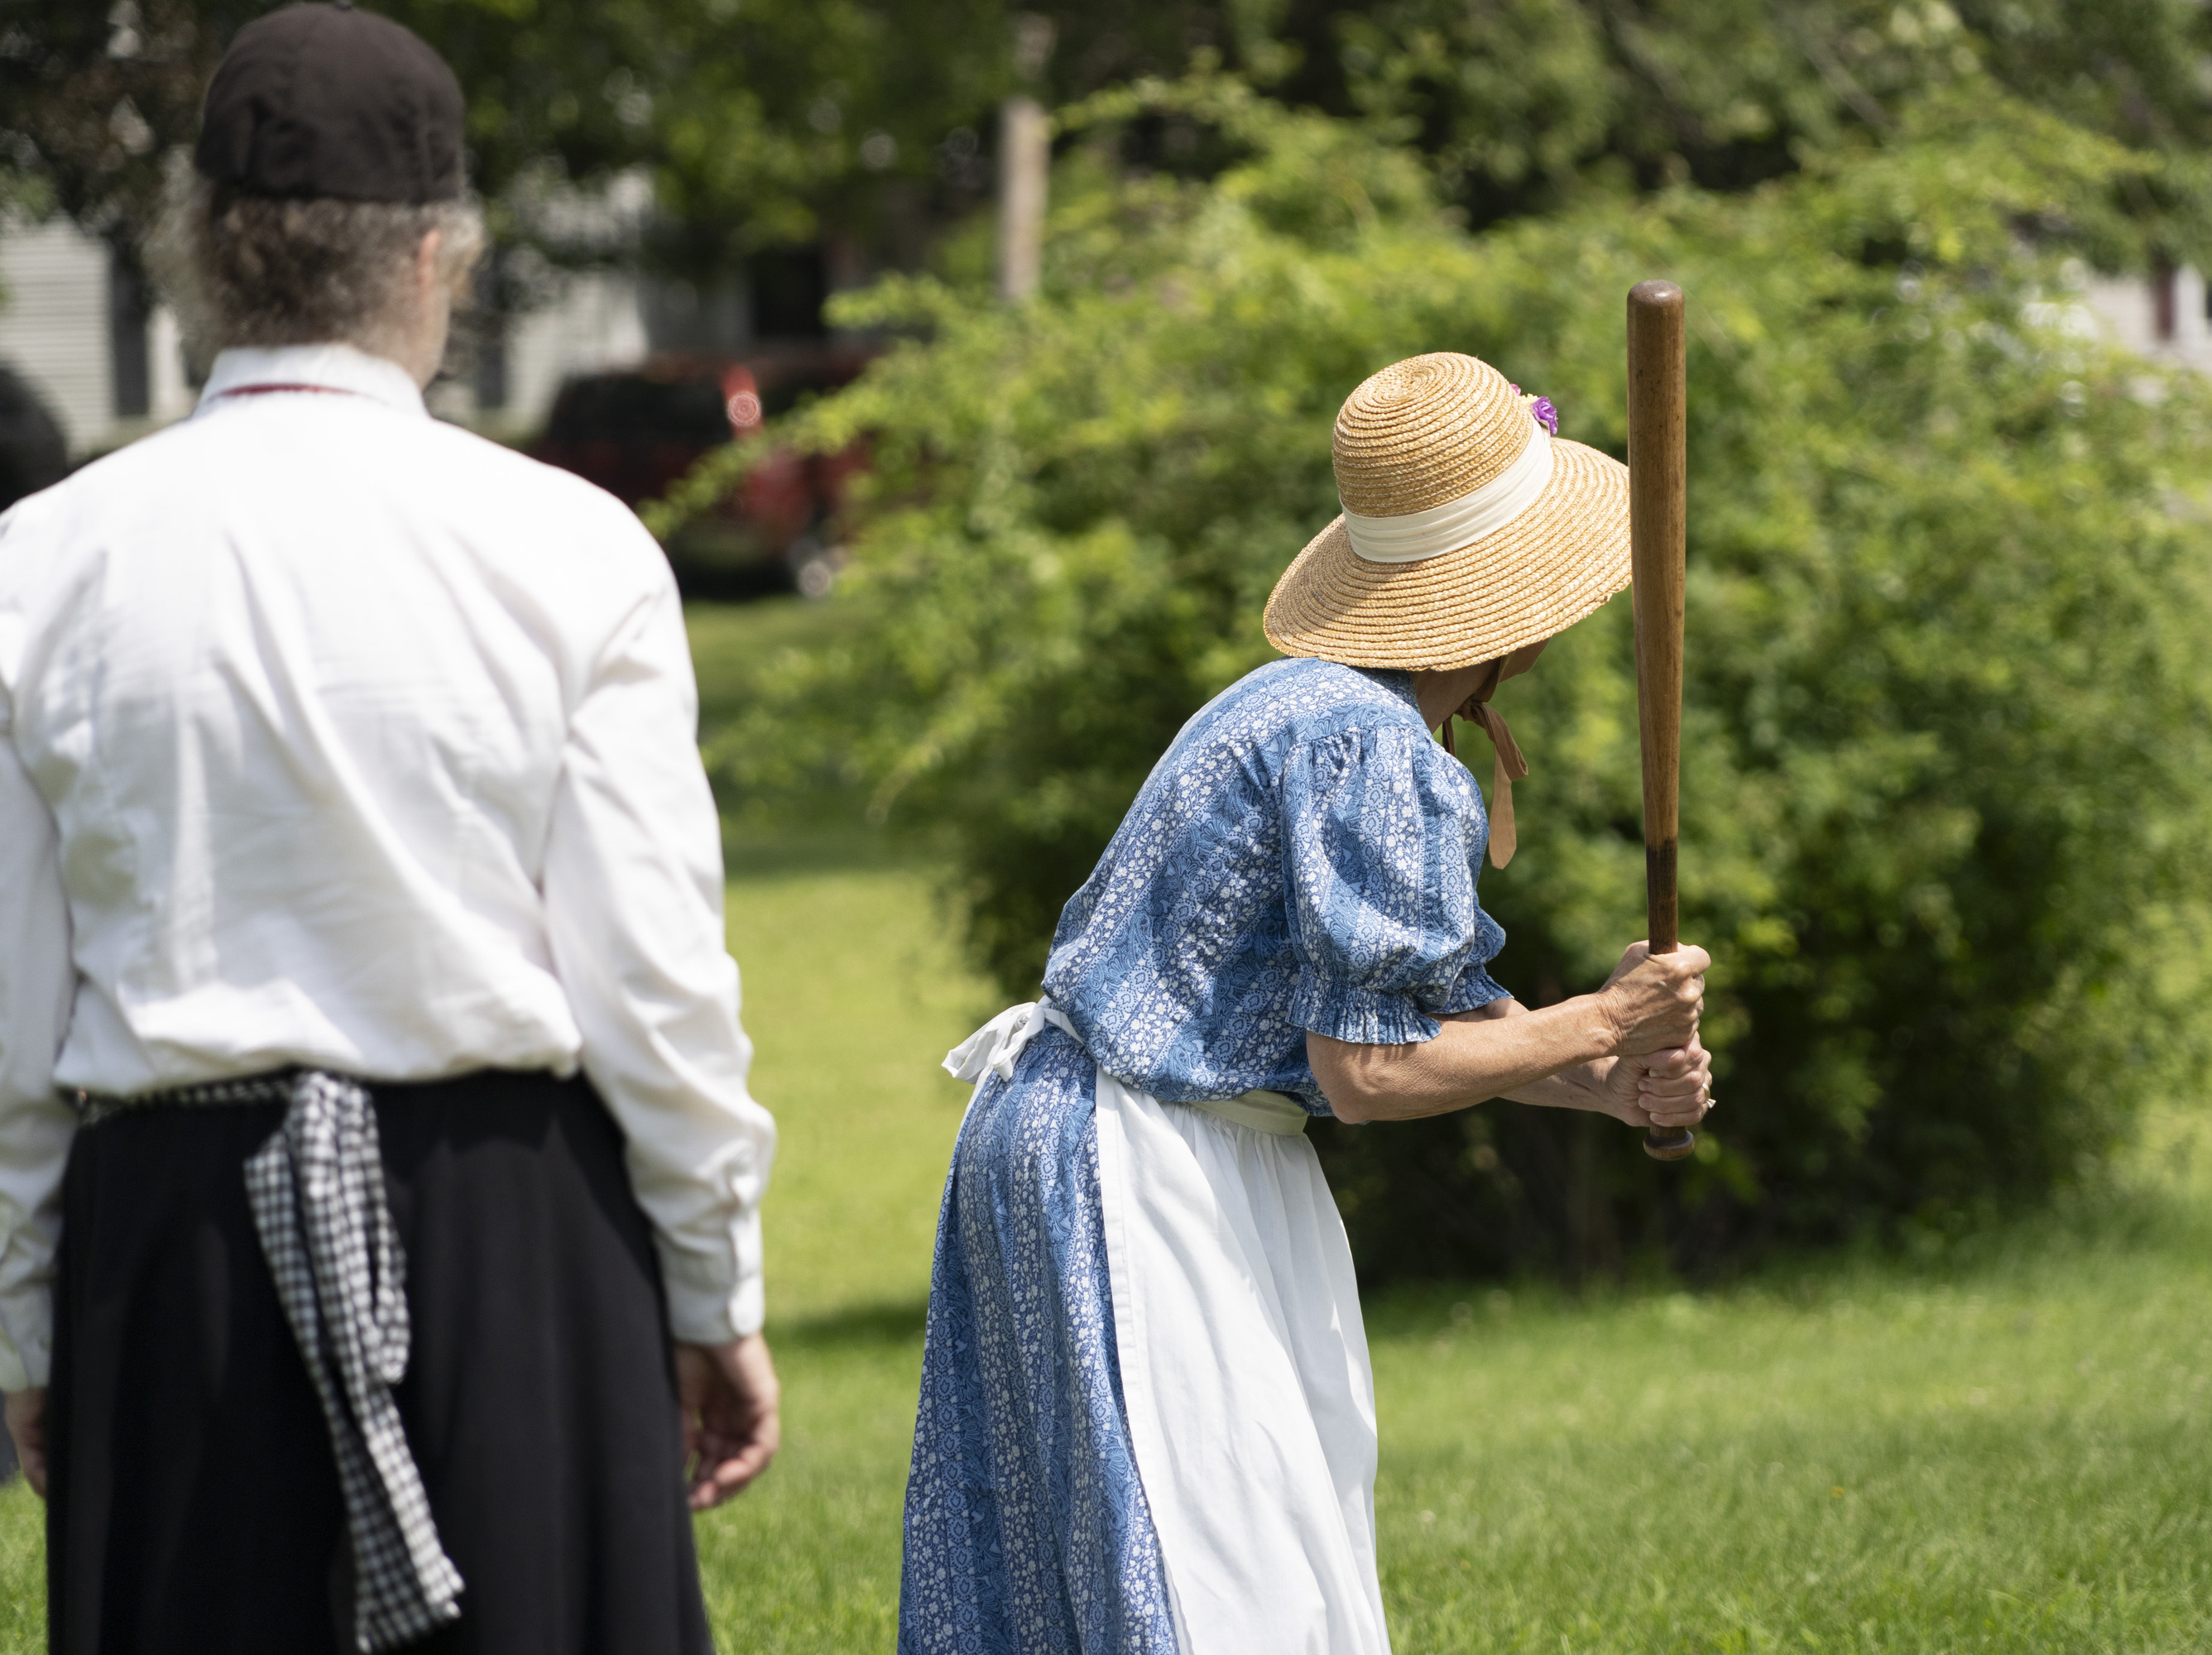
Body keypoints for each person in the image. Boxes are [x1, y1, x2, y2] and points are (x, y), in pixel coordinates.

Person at [0, 7, 780, 1652]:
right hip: (513, 1237)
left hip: (172, 1252)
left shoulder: (41, 564)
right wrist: (713, 1290)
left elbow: (9, 1026)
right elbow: (654, 987)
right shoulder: (570, 549)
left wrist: (30, 1326)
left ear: (202, 254)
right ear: (438, 254)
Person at [900, 349, 1714, 1653]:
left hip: (1109, 1134)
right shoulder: (1368, 742)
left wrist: (1600, 1081)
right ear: (1506, 606)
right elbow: (1371, 1074)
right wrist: (1608, 1020)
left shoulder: (1328, 710)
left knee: (1185, 1560)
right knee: (1225, 1575)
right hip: (1141, 1162)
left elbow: (1426, 1025)